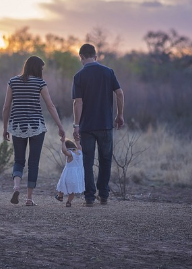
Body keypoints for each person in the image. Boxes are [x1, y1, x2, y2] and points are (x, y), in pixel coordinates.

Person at [2, 56, 65, 206]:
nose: (42, 71)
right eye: (41, 68)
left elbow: (6, 107)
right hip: (36, 126)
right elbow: (50, 106)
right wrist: (60, 126)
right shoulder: (40, 83)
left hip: (17, 126)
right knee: (33, 162)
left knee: (18, 160)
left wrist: (5, 128)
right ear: (37, 68)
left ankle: (16, 187)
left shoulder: (13, 81)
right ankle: (29, 198)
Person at [72, 44, 125, 206]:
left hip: (87, 126)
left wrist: (76, 125)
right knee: (105, 160)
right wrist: (119, 115)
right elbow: (120, 93)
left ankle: (89, 197)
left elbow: (77, 102)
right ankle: (103, 195)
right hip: (105, 125)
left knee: (87, 161)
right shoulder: (108, 72)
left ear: (81, 57)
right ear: (96, 56)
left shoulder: (79, 76)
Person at [55, 138, 85, 207]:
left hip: (69, 175)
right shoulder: (80, 152)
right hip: (77, 176)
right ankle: (68, 202)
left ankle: (60, 196)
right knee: (72, 190)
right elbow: (79, 146)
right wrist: (77, 141)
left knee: (62, 185)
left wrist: (63, 142)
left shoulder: (70, 154)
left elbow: (64, 151)